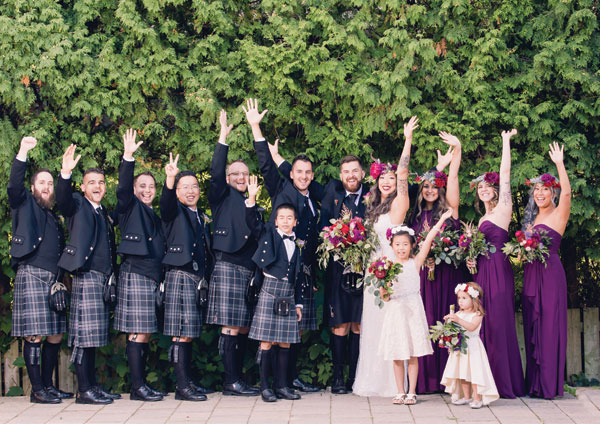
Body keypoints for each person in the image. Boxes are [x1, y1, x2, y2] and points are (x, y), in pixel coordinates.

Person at [243, 98, 319, 393]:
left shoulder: (314, 195)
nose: (303, 176)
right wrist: (255, 128)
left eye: (307, 173)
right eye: (298, 172)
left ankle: (288, 381)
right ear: (291, 174)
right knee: (271, 335)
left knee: (292, 332)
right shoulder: (281, 189)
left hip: (300, 273)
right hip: (275, 277)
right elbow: (265, 164)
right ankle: (268, 385)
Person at [353, 116, 418, 397]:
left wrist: (407, 141)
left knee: (391, 326)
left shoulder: (399, 205)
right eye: (383, 178)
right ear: (376, 182)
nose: (388, 181)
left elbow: (404, 175)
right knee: (373, 324)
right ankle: (372, 380)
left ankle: (395, 385)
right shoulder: (373, 209)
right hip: (372, 271)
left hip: (391, 272)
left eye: (391, 178)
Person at [7, 136, 71, 404]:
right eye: (41, 183)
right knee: (34, 333)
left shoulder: (52, 215)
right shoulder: (24, 203)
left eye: (49, 183)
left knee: (55, 333)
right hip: (31, 275)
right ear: (32, 187)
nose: (46, 187)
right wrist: (23, 151)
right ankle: (37, 391)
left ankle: (48, 385)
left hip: (52, 280)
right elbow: (13, 186)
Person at [57, 145, 120, 404]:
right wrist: (65, 172)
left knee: (93, 337)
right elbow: (61, 199)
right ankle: (84, 390)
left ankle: (93, 385)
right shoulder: (77, 205)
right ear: (83, 187)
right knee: (83, 336)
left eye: (101, 182)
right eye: (91, 182)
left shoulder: (102, 211)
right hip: (85, 276)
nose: (97, 186)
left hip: (101, 278)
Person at [467, 129, 524, 398]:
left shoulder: (504, 208)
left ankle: (505, 383)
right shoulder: (479, 221)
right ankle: (485, 384)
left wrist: (505, 141)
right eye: (480, 187)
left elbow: (507, 174)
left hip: (499, 271)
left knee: (499, 324)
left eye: (487, 185)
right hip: (482, 274)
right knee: (484, 326)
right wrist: (470, 262)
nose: (484, 189)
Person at [206, 110, 259, 396]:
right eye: (235, 173)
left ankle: (238, 379)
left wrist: (252, 204)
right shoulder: (221, 196)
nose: (240, 177)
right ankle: (230, 382)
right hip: (227, 265)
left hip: (246, 269)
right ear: (228, 178)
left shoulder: (251, 202)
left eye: (244, 174)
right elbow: (215, 171)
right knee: (230, 325)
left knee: (241, 327)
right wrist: (223, 136)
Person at [408, 132, 465, 393]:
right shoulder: (414, 216)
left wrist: (457, 149)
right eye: (426, 186)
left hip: (447, 275)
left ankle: (449, 379)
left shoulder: (450, 210)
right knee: (426, 321)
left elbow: (452, 177)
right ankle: (426, 379)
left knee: (448, 319)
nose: (430, 190)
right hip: (423, 277)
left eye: (434, 185)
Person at [379, 210, 453, 405]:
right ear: (392, 246)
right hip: (395, 311)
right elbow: (384, 297)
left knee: (412, 353)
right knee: (397, 353)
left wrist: (442, 219)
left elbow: (429, 239)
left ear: (412, 245)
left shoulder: (415, 262)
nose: (401, 248)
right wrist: (384, 290)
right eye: (397, 245)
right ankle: (399, 391)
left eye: (405, 244)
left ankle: (412, 391)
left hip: (412, 309)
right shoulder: (386, 266)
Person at [113, 129, 166, 401]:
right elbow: (121, 188)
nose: (147, 190)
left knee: (144, 333)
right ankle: (137, 388)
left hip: (150, 277)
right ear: (134, 190)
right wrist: (128, 157)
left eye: (151, 187)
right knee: (138, 331)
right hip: (135, 274)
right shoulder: (128, 207)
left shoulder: (152, 213)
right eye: (142, 186)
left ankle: (140, 385)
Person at [245, 176, 303, 403]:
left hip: (288, 293)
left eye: (290, 218)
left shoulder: (296, 247)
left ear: (295, 221)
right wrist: (251, 198)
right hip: (269, 290)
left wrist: (298, 303)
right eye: (282, 218)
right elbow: (253, 222)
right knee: (266, 341)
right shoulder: (268, 234)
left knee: (286, 341)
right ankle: (265, 387)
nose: (286, 221)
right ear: (276, 221)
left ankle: (282, 386)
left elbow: (297, 279)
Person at [160, 153, 213, 401]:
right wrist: (170, 180)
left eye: (194, 186)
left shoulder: (199, 214)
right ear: (177, 191)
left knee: (189, 332)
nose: (190, 191)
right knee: (180, 332)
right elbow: (167, 203)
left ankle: (188, 381)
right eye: (185, 187)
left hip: (195, 278)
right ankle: (182, 388)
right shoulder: (174, 211)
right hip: (180, 275)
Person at [521, 142, 571, 399]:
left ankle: (549, 385)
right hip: (531, 274)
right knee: (532, 327)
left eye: (545, 189)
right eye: (536, 190)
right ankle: (535, 385)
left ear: (552, 192)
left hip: (550, 275)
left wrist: (559, 164)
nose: (540, 193)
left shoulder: (559, 215)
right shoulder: (531, 220)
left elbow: (567, 195)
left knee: (549, 327)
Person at [441, 282, 499, 408]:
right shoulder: (458, 314)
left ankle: (477, 398)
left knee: (474, 373)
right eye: (459, 298)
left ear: (474, 299)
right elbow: (453, 331)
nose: (460, 301)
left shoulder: (477, 314)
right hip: (460, 348)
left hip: (472, 347)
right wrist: (448, 327)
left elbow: (472, 327)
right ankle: (466, 397)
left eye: (464, 298)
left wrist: (458, 320)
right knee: (462, 373)